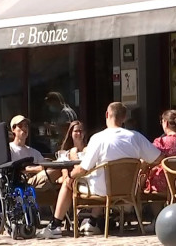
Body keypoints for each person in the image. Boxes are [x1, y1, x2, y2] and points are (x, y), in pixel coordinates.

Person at [39, 102, 162, 238]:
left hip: (103, 190)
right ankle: (93, 221)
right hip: (129, 190)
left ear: (107, 115)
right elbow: (159, 157)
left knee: (69, 184)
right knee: (98, 177)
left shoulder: (98, 138)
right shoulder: (136, 137)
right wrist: (142, 165)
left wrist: (70, 176)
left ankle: (55, 225)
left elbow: (83, 168)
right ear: (124, 117)